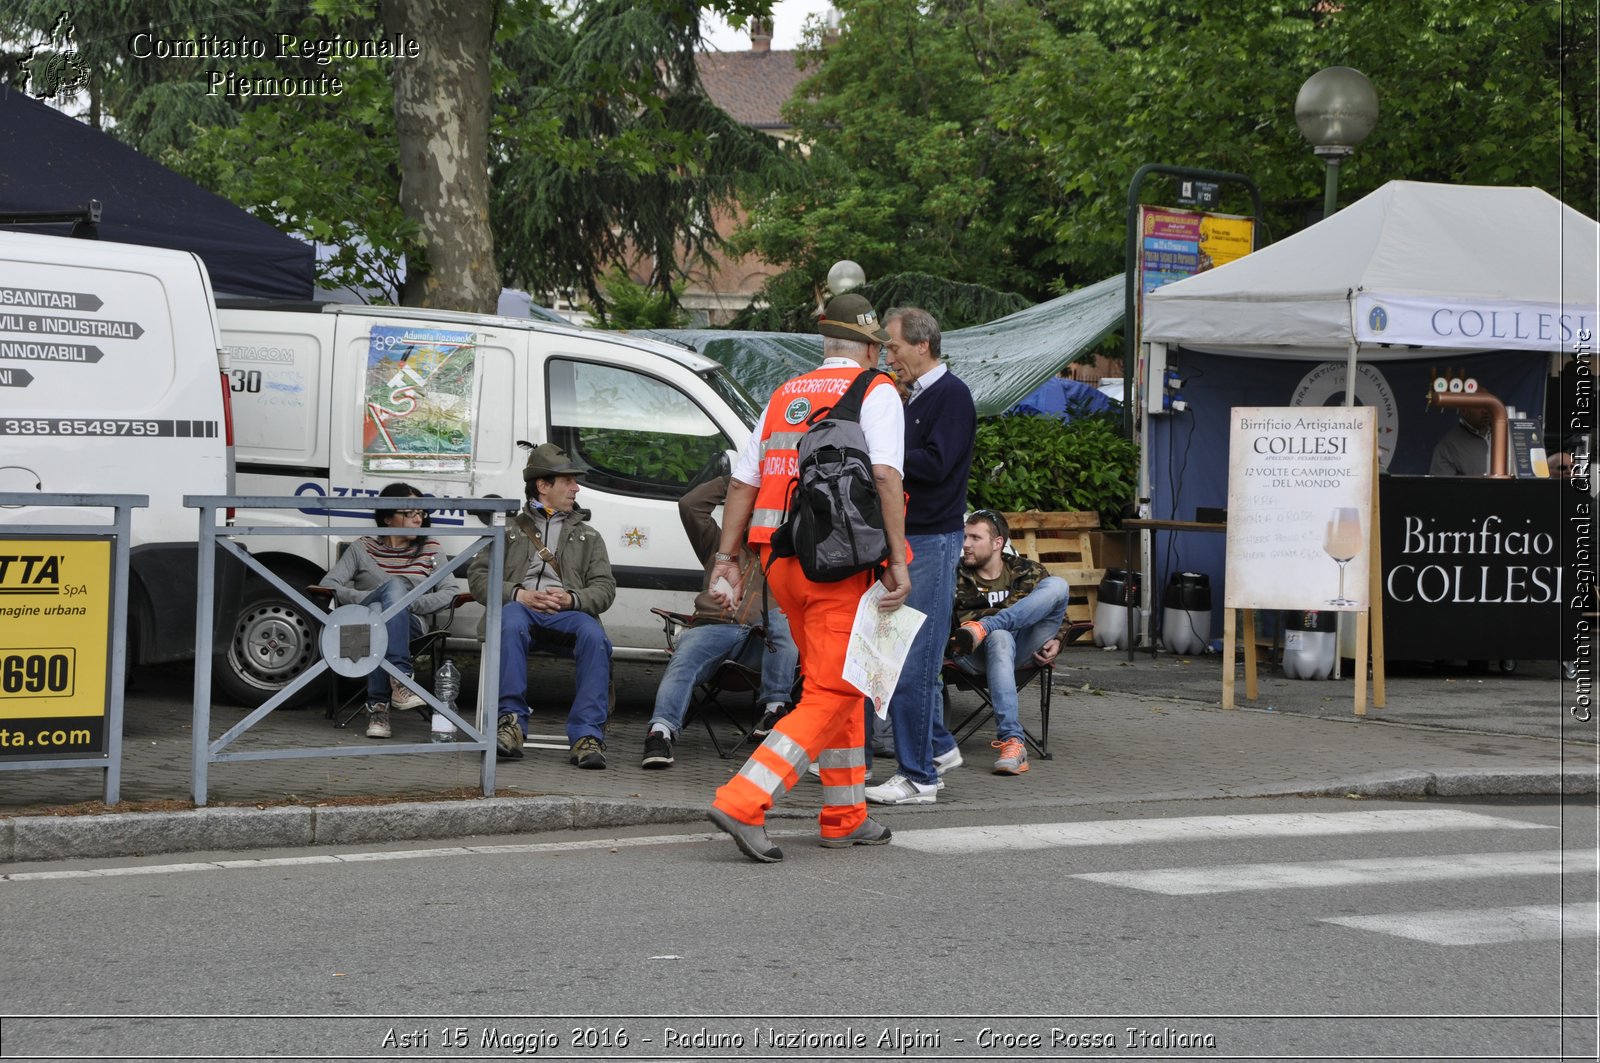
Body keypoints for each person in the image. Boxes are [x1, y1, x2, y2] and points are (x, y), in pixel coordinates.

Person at [703, 291, 911, 862]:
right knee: (835, 689)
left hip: (781, 565)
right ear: (869, 347)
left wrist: (727, 559)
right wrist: (897, 560)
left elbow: (744, 484)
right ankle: (745, 799)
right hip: (839, 566)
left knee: (836, 680)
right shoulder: (876, 390)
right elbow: (887, 479)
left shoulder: (786, 394)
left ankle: (846, 816)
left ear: (827, 343)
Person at [863, 306, 977, 806]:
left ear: (922, 345)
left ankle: (919, 775)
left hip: (932, 538)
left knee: (914, 659)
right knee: (899, 653)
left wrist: (882, 456)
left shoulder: (951, 396)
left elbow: (936, 464)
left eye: (893, 347)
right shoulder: (914, 397)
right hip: (914, 537)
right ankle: (937, 747)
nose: (890, 356)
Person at [468, 443, 617, 768]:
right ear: (543, 485)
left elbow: (605, 589)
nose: (576, 488)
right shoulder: (506, 531)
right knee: (509, 619)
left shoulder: (589, 536)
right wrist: (519, 594)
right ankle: (510, 725)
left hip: (569, 616)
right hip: (520, 612)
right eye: (568, 481)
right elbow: (478, 579)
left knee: (594, 636)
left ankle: (587, 736)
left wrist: (573, 599)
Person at [641, 474, 798, 769]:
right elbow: (690, 505)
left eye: (763, 513)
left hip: (760, 644)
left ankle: (775, 710)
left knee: (782, 618)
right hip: (712, 628)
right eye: (749, 511)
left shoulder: (787, 557)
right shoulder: (719, 544)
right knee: (686, 656)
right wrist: (741, 481)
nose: (754, 519)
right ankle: (660, 733)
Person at [316, 483, 455, 740]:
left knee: (388, 601)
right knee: (381, 605)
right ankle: (400, 679)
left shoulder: (431, 549)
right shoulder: (363, 548)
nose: (418, 518)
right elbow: (328, 586)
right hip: (365, 623)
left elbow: (451, 592)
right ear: (388, 516)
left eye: (421, 513)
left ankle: (378, 707)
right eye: (410, 512)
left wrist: (404, 603)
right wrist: (366, 601)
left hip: (411, 624)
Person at [946, 510, 1072, 775]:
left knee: (1058, 585)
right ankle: (1013, 741)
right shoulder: (952, 573)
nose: (965, 544)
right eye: (964, 536)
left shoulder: (1028, 571)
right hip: (972, 655)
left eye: (974, 537)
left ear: (997, 542)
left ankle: (986, 626)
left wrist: (1058, 640)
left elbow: (1062, 618)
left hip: (1023, 648)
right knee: (1000, 637)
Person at [1429, 406, 1493, 476]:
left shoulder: (1505, 433)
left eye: (1488, 405)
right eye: (1478, 406)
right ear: (1463, 410)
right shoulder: (1447, 447)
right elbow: (1441, 486)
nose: (1485, 411)